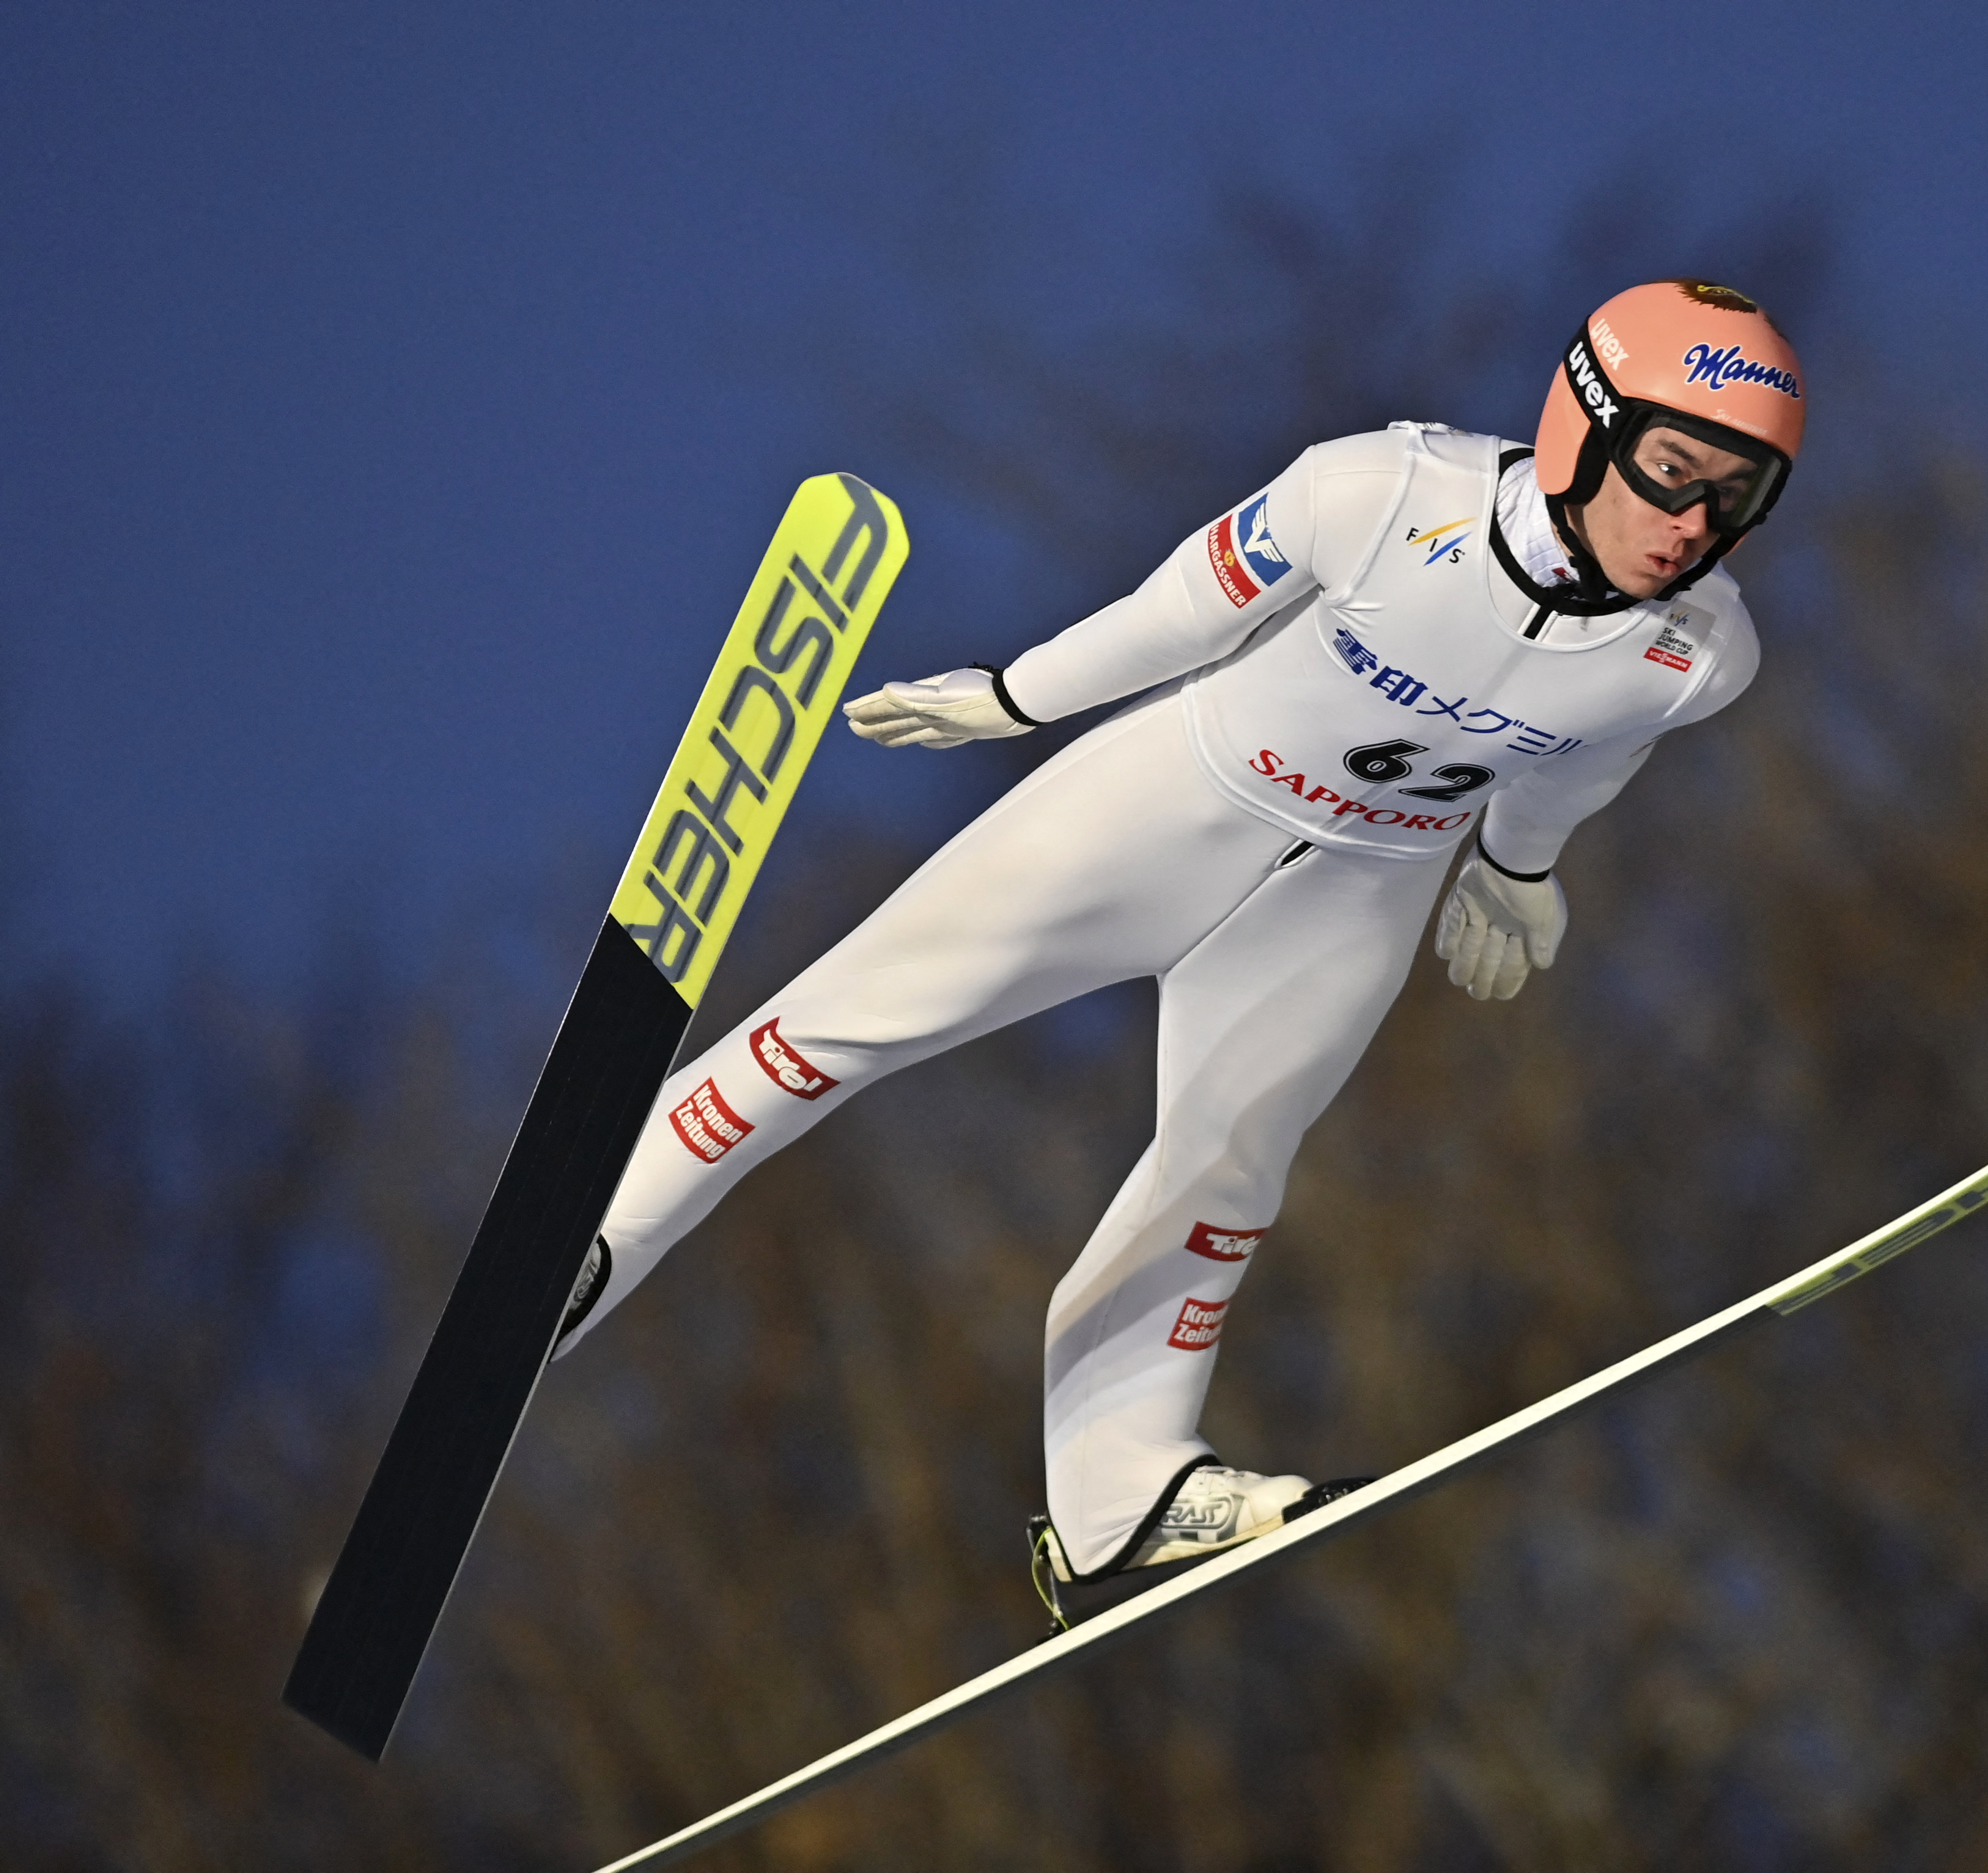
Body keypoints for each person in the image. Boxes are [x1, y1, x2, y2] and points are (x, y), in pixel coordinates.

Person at [550, 278, 1807, 1590]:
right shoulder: (1380, 491)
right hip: (1170, 802)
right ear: (1583, 428)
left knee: (1228, 1167)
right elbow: (1179, 612)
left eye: (1740, 498)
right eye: (1673, 473)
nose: (1696, 526)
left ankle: (1122, 1493)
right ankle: (597, 1236)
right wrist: (1016, 695)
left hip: (1357, 893)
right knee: (853, 1019)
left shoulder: (1702, 655)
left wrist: (1517, 869)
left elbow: (1580, 761)